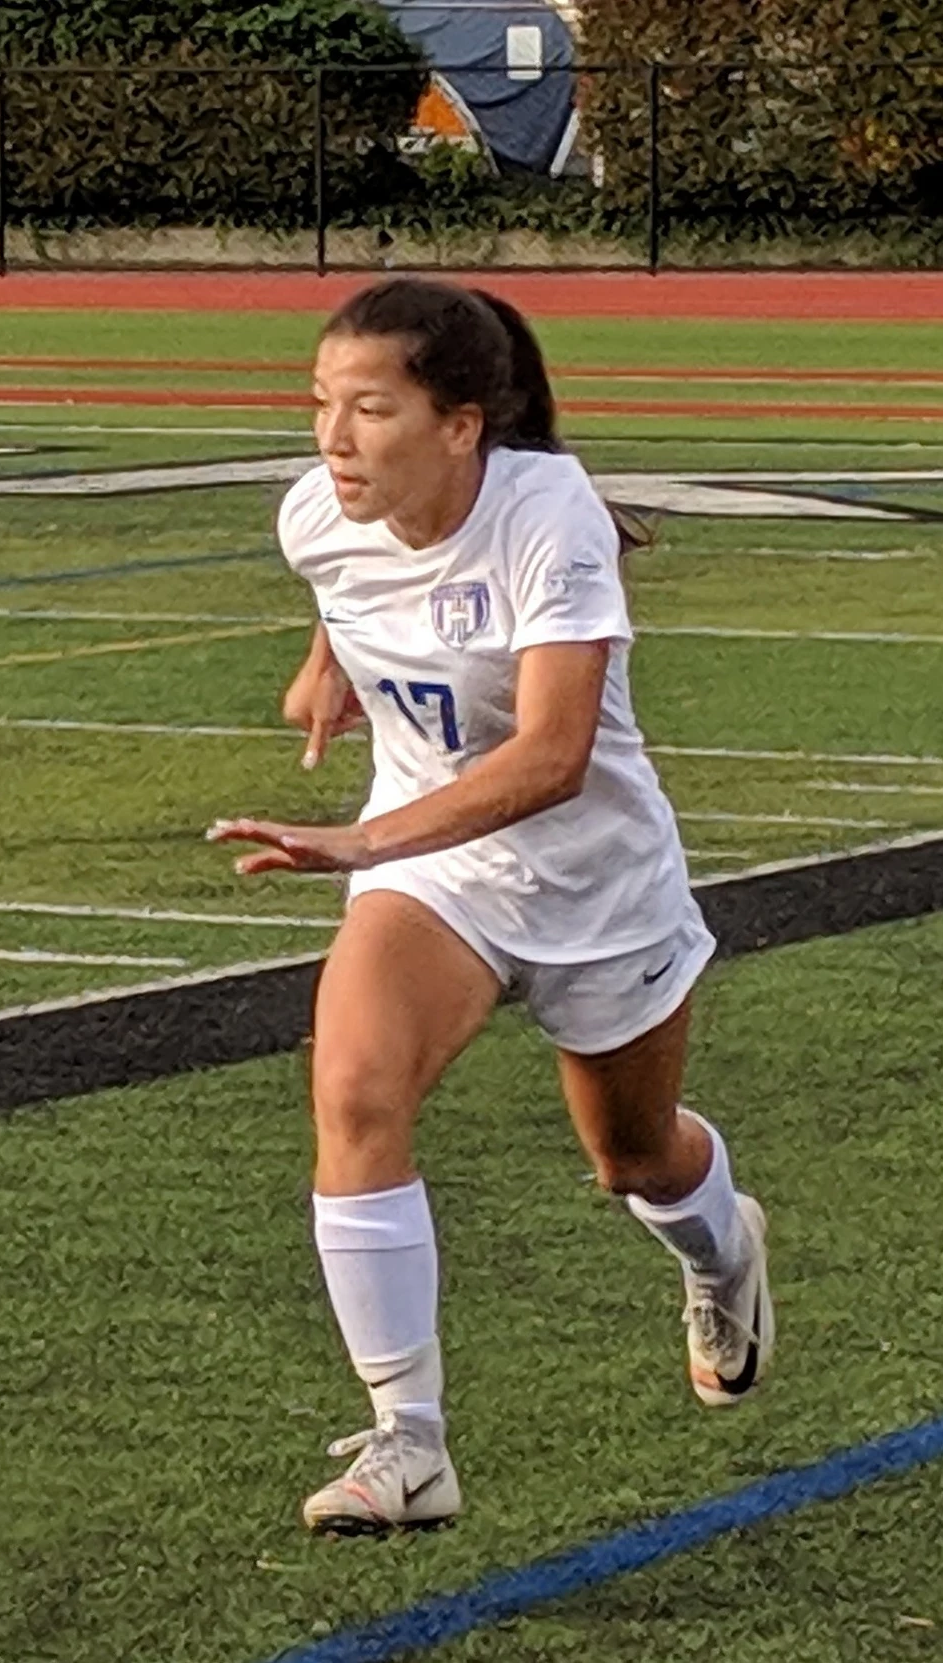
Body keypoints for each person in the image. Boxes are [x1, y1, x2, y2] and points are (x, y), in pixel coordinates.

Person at [207, 277, 771, 1537]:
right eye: (319, 406)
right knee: (354, 1089)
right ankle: (408, 1443)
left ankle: (722, 1246)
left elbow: (553, 755)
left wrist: (359, 835)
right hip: (438, 876)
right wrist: (327, 670)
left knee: (635, 1159)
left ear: (461, 425)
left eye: (370, 409)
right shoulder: (316, 515)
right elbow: (341, 588)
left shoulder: (546, 511)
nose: (334, 440)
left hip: (595, 884)